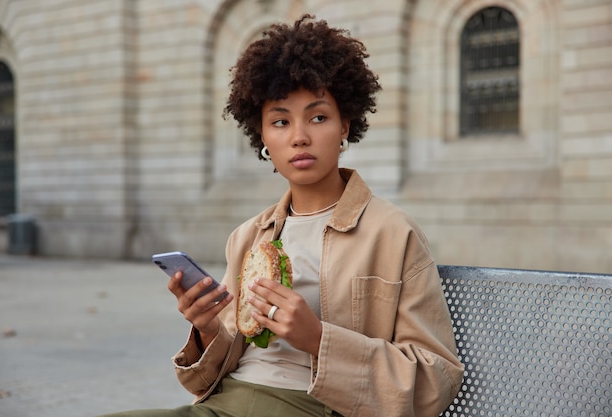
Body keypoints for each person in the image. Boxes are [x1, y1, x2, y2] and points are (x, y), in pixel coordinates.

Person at [100, 14, 463, 417]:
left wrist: (318, 338)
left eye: (318, 116)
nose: (299, 136)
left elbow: (436, 380)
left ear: (346, 124)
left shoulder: (393, 233)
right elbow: (213, 375)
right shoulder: (248, 238)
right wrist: (206, 329)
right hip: (226, 404)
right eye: (280, 121)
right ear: (263, 139)